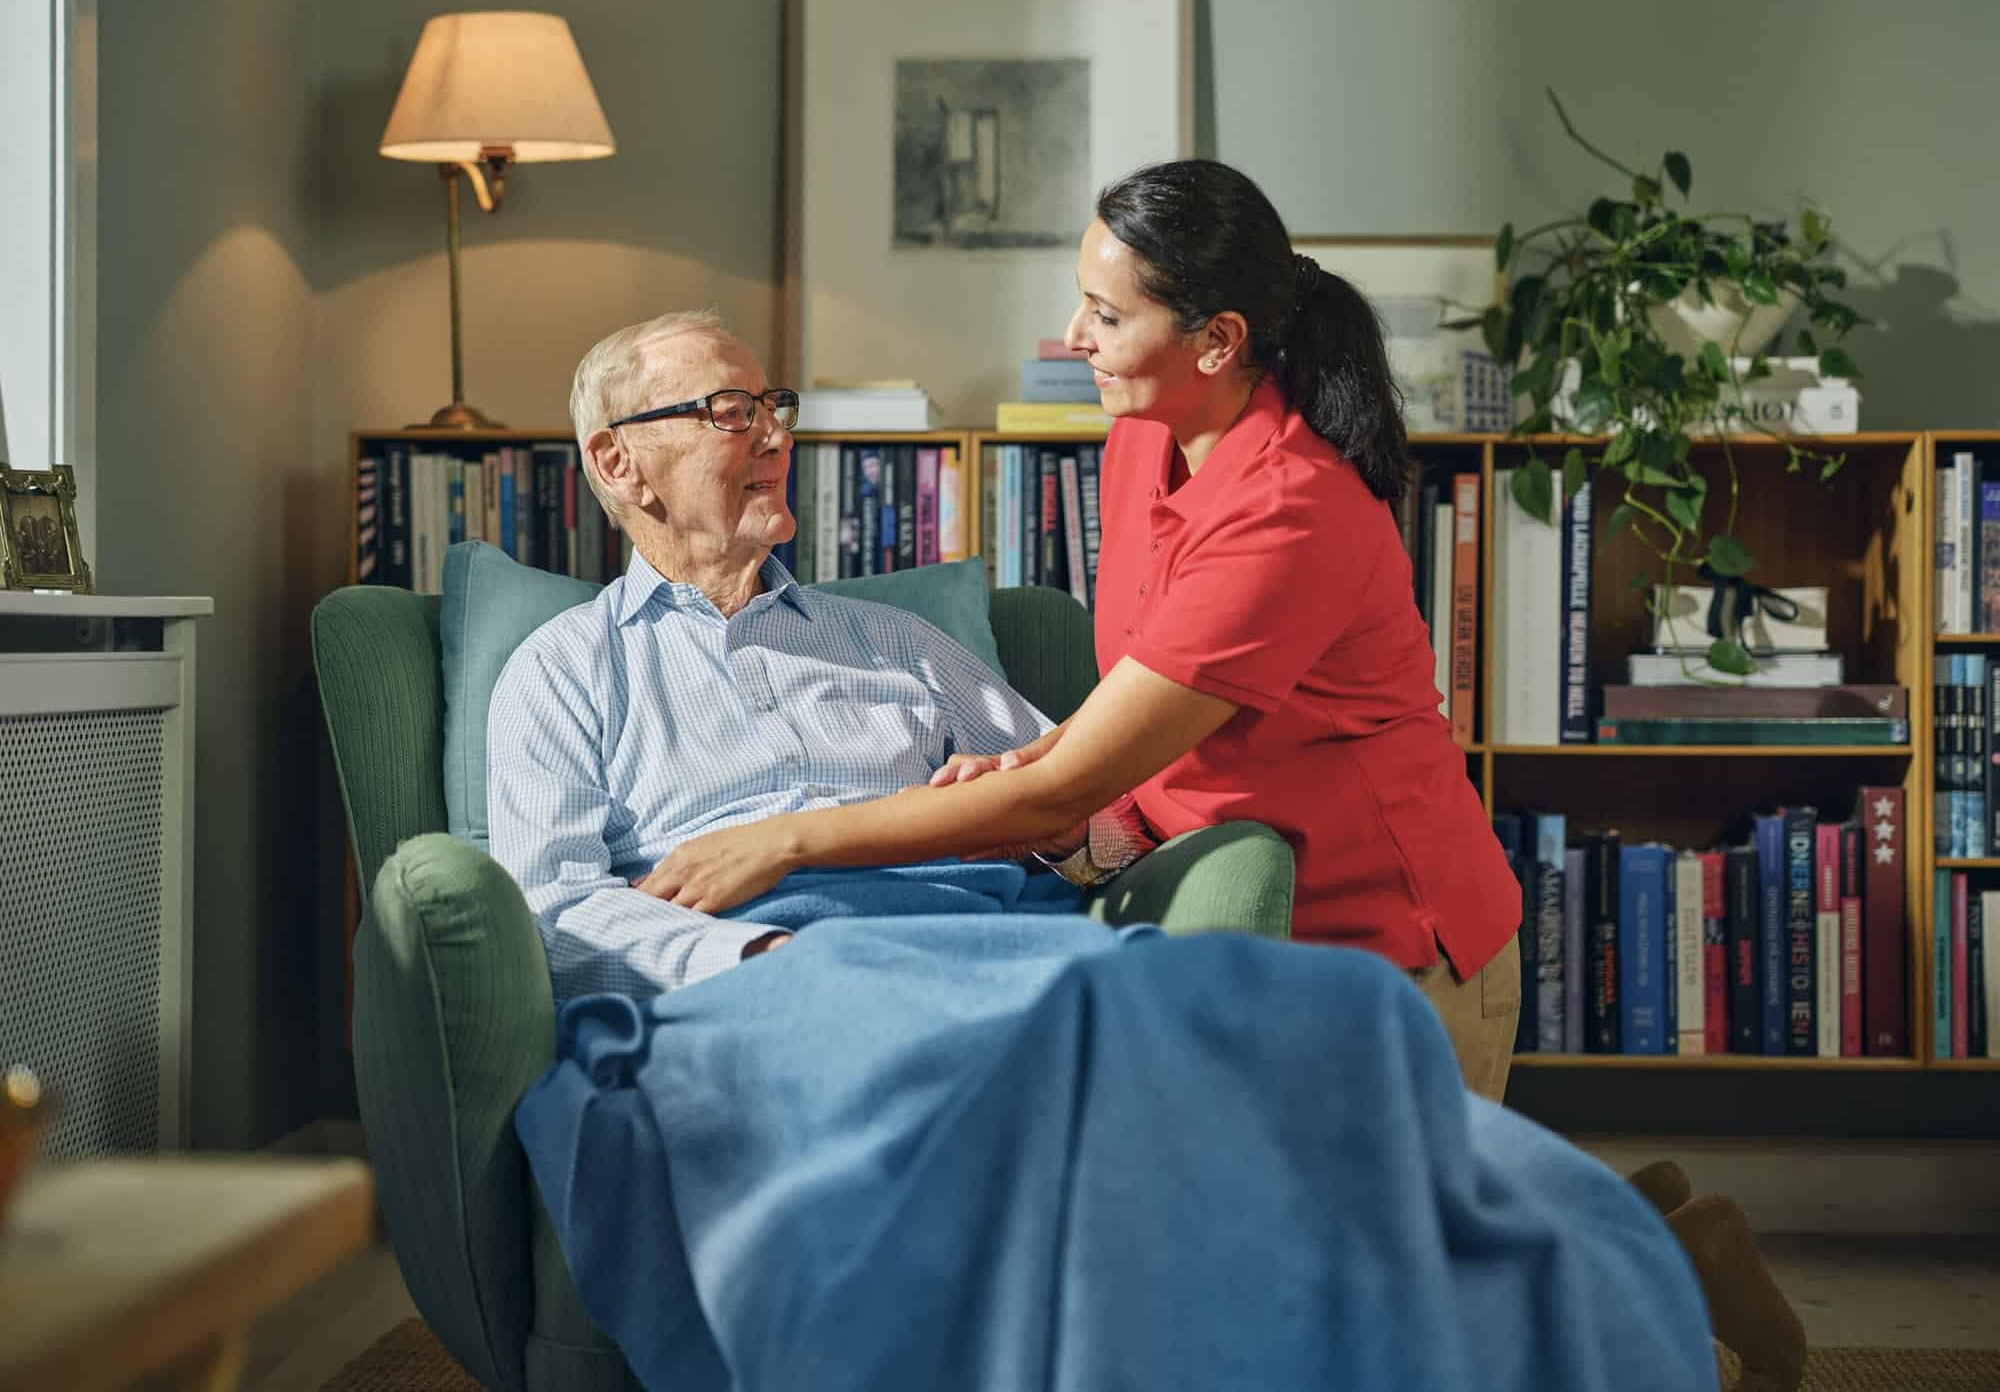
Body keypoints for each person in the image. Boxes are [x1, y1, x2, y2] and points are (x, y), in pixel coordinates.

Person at [643, 160, 1522, 1105]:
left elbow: (1071, 785)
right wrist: (1036, 767)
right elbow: (1147, 687)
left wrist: (786, 841)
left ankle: (1675, 1242)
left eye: (1106, 316)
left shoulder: (1289, 511)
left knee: (1392, 1254)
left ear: (1218, 340)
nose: (1075, 339)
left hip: (1385, 958)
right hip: (1233, 928)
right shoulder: (1143, 434)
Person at [485, 310, 1067, 1004]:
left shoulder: (901, 643)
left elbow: (1097, 806)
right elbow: (555, 909)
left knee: (1188, 981)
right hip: (763, 984)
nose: (778, 436)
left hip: (983, 947)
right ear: (620, 463)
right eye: (731, 412)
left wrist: (1046, 830)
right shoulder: (564, 669)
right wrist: (762, 959)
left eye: (773, 407)